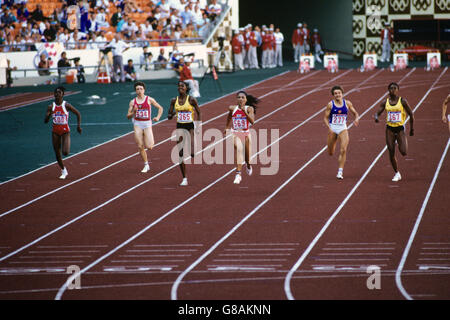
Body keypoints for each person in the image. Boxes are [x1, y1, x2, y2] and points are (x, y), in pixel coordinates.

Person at [375, 82, 414, 182]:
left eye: (394, 88)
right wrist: (376, 117)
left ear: (398, 90)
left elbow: (411, 114)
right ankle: (397, 173)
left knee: (404, 152)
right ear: (388, 90)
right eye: (391, 88)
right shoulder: (385, 102)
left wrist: (412, 129)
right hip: (390, 129)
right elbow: (377, 112)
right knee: (391, 151)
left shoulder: (403, 101)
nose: (393, 90)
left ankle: (401, 141)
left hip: (400, 128)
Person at [168, 81, 202, 186]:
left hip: (190, 126)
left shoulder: (191, 99)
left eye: (182, 86)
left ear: (186, 88)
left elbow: (199, 112)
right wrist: (171, 115)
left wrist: (198, 125)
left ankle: (193, 147)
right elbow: (170, 114)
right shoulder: (174, 100)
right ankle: (184, 178)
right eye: (178, 86)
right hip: (180, 126)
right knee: (180, 154)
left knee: (192, 153)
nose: (180, 88)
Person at [44, 86, 82, 179]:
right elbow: (45, 121)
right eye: (56, 92)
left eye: (59, 92)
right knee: (57, 153)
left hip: (65, 131)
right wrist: (48, 116)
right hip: (55, 131)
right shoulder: (50, 106)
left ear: (63, 94)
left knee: (65, 152)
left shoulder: (66, 105)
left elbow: (78, 113)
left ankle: (64, 166)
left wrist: (78, 126)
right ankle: (63, 170)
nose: (57, 94)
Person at [126, 81, 163, 173]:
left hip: (147, 124)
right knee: (140, 145)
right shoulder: (132, 102)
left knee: (149, 146)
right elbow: (128, 116)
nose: (139, 91)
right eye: (137, 89)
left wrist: (158, 117)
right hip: (137, 123)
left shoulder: (149, 99)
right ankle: (146, 164)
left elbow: (160, 108)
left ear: (144, 90)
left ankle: (147, 141)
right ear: (135, 91)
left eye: (141, 89)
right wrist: (134, 112)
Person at [323, 86, 360, 179]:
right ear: (333, 95)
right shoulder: (330, 105)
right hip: (333, 128)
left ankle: (340, 172)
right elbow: (325, 118)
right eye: (335, 93)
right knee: (331, 152)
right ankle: (332, 145)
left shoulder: (347, 103)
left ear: (342, 94)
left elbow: (355, 113)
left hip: (343, 128)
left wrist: (356, 118)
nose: (337, 95)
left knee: (343, 149)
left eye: (339, 93)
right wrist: (329, 128)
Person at [224, 91, 258, 185]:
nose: (241, 99)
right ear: (236, 99)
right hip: (235, 133)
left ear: (246, 100)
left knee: (247, 158)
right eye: (239, 97)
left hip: (246, 134)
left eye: (243, 97)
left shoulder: (249, 109)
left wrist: (244, 112)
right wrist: (226, 127)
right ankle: (238, 174)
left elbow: (252, 121)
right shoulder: (232, 108)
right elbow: (229, 117)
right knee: (239, 149)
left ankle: (248, 165)